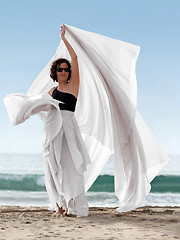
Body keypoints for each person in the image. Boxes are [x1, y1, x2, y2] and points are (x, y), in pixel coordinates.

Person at [47, 24, 89, 217]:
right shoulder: (51, 91)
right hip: (53, 130)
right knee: (53, 165)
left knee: (71, 165)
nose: (64, 71)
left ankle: (71, 204)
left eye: (66, 69)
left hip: (69, 129)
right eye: (60, 69)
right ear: (55, 73)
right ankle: (58, 204)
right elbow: (39, 105)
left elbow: (75, 58)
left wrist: (63, 38)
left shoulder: (74, 86)